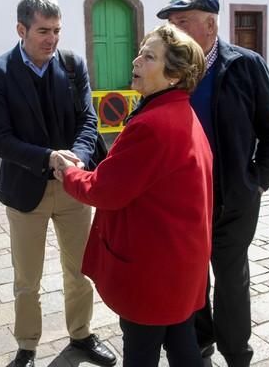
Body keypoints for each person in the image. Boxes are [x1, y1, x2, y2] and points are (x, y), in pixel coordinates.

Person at [52, 24, 213, 367]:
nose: (137, 61)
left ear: (174, 76)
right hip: (180, 265)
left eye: (149, 56)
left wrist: (68, 174)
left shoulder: (152, 125)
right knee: (183, 344)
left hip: (153, 270)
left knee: (141, 353)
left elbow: (105, 191)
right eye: (140, 52)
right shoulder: (181, 113)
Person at [0, 0, 116, 367]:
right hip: (26, 192)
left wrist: (77, 159)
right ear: (21, 29)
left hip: (73, 188)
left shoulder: (72, 65)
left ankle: (82, 335)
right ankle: (26, 345)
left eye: (57, 30)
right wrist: (48, 158)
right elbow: (0, 139)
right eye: (43, 31)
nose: (52, 39)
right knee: (28, 279)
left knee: (80, 270)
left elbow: (89, 121)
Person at [156, 0, 269, 366]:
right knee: (193, 278)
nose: (174, 32)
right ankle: (200, 343)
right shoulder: (173, 69)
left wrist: (259, 180)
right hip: (185, 201)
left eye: (182, 23)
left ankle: (236, 353)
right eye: (172, 25)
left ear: (210, 24)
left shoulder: (246, 65)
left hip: (234, 200)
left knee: (231, 281)